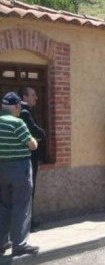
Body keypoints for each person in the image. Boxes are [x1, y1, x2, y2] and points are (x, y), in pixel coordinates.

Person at [0, 92, 39, 257]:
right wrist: (35, 140)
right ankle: (20, 245)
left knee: (3, 206)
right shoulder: (18, 123)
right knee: (21, 207)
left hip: (2, 168)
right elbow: (32, 145)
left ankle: (2, 242)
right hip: (19, 168)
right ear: (16, 107)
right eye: (19, 107)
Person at [18, 87, 46, 231]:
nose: (36, 98)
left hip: (26, 158)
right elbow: (37, 131)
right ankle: (27, 225)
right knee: (28, 191)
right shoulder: (24, 113)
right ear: (24, 97)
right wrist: (41, 134)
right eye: (33, 95)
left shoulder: (23, 111)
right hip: (28, 158)